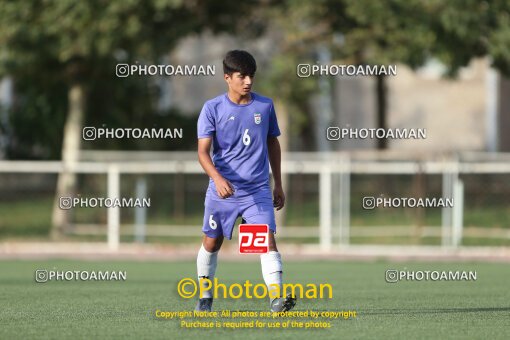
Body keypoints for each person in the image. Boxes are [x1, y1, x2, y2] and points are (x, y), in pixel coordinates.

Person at [195, 50, 296, 312]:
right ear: (227, 77)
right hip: (223, 192)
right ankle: (205, 297)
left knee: (265, 239)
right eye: (242, 76)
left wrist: (278, 183)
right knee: (212, 242)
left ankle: (277, 299)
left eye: (251, 76)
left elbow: (273, 143)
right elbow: (203, 153)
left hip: (257, 191)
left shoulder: (265, 106)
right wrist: (217, 179)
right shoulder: (212, 108)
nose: (248, 81)